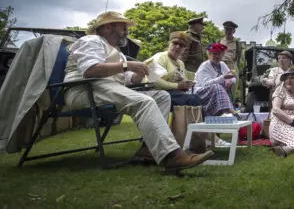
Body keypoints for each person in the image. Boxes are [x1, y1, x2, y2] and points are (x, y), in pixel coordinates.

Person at [63, 11, 213, 172]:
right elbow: (90, 70)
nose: (127, 31)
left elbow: (127, 79)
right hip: (83, 89)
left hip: (106, 88)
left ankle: (148, 149)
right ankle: (172, 156)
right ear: (107, 27)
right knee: (144, 101)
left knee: (161, 96)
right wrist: (127, 65)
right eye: (123, 27)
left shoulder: (117, 52)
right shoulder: (91, 41)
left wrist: (138, 75)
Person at [145, 31, 201, 107]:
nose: (177, 47)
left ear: (184, 49)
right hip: (154, 93)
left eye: (181, 45)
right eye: (175, 43)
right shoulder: (160, 58)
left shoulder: (180, 63)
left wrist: (187, 84)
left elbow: (183, 81)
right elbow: (155, 81)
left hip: (173, 94)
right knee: (192, 99)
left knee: (197, 97)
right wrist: (177, 86)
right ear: (169, 44)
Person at [194, 43, 238, 117]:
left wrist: (230, 80)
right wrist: (223, 78)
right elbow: (206, 84)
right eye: (214, 54)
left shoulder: (222, 64)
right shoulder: (204, 66)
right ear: (209, 54)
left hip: (215, 95)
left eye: (219, 54)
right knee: (217, 86)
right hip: (200, 93)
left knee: (218, 87)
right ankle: (230, 110)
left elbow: (233, 78)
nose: (217, 56)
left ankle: (226, 112)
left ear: (223, 55)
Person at [218, 21, 242, 103]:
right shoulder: (219, 41)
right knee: (219, 89)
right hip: (220, 67)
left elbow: (238, 56)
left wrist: (236, 69)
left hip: (231, 66)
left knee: (232, 90)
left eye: (230, 30)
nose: (228, 31)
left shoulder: (237, 43)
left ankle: (230, 108)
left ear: (234, 31)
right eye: (226, 29)